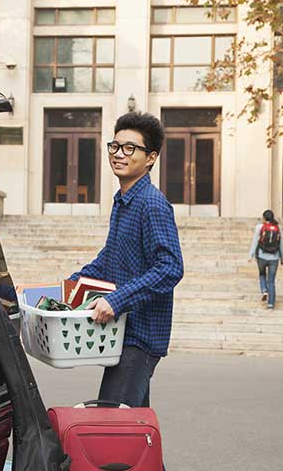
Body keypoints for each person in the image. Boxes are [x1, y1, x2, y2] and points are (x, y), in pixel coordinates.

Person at [67, 111, 184, 411]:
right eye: (115, 146)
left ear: (151, 158)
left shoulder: (152, 204)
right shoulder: (123, 201)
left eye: (130, 148)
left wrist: (116, 301)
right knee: (131, 431)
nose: (119, 154)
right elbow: (110, 257)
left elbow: (170, 267)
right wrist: (70, 285)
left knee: (112, 424)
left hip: (140, 336)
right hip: (123, 333)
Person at [248, 210, 283, 309]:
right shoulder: (277, 228)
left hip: (262, 256)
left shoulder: (259, 227)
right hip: (274, 257)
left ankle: (264, 290)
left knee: (262, 274)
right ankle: (271, 304)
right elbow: (281, 244)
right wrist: (282, 258)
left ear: (264, 218)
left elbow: (255, 241)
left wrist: (250, 255)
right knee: (271, 281)